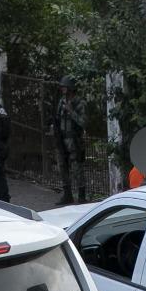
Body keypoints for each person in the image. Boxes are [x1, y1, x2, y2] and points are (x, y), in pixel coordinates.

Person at [51, 74, 85, 206]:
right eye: (62, 87)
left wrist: (71, 112)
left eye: (65, 87)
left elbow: (83, 122)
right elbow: (58, 119)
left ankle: (82, 196)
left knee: (77, 169)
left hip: (74, 140)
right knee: (62, 167)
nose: (63, 89)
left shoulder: (80, 103)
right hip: (62, 139)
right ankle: (67, 194)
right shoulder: (61, 101)